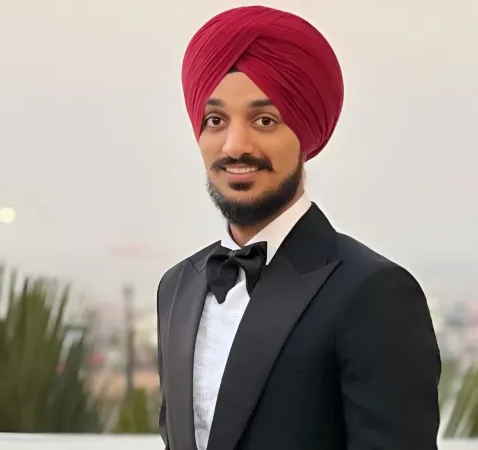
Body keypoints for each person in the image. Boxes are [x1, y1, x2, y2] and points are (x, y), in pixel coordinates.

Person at [156, 6, 441, 450]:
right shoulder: (176, 287)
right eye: (215, 121)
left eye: (264, 121)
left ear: (304, 134)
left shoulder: (373, 292)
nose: (235, 145)